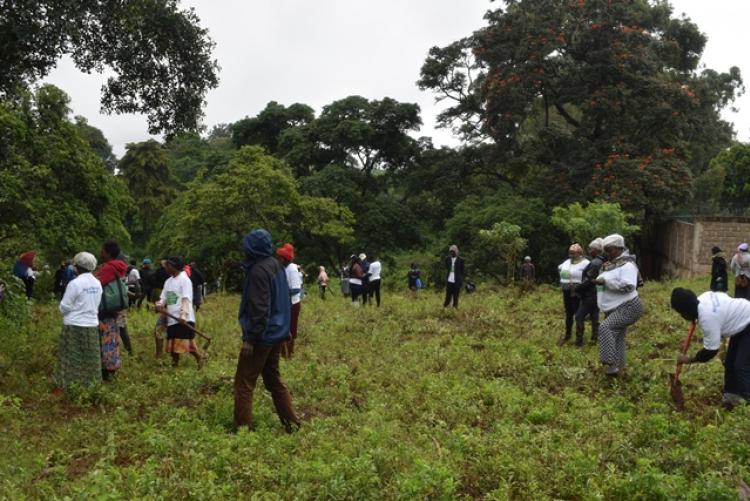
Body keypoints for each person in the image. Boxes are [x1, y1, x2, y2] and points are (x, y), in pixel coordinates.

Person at [234, 229, 300, 432]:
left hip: (262, 336)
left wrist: (251, 339)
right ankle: (292, 424)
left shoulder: (257, 271)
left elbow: (260, 308)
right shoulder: (276, 266)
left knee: (244, 383)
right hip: (277, 334)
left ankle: (243, 432)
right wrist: (286, 329)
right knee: (273, 380)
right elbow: (285, 300)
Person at [671, 287, 750, 409]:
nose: (681, 316)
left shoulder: (708, 318)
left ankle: (747, 405)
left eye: (681, 313)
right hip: (740, 322)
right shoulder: (703, 297)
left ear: (686, 312)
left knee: (741, 365)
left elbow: (711, 351)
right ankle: (731, 399)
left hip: (747, 322)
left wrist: (689, 359)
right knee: (730, 364)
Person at [595, 234, 644, 376]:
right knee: (618, 336)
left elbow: (629, 286)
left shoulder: (627, 265)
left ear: (619, 248)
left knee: (605, 327)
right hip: (614, 307)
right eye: (606, 251)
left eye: (610, 250)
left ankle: (608, 361)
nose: (607, 254)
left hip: (628, 306)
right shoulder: (613, 265)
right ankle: (615, 368)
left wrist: (605, 282)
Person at [53, 252, 103, 390]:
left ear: (77, 267)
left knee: (69, 357)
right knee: (90, 357)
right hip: (92, 324)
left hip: (74, 325)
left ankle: (67, 385)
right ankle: (91, 385)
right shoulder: (97, 283)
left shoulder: (75, 284)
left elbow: (64, 307)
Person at [156, 256, 205, 368]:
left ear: (174, 267)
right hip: (172, 317)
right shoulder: (168, 281)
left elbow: (186, 299)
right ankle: (175, 365)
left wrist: (183, 314)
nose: (166, 268)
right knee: (174, 342)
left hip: (183, 317)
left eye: (168, 266)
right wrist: (160, 304)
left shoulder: (184, 280)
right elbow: (163, 297)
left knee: (185, 342)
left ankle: (198, 357)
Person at [96, 241, 127, 380]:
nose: (101, 252)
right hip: (115, 308)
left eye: (102, 250)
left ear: (108, 253)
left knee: (106, 339)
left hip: (106, 309)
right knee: (113, 338)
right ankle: (112, 368)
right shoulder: (119, 267)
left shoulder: (108, 268)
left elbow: (97, 284)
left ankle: (108, 371)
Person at [574, 238, 604, 345]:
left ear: (596, 250)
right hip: (598, 294)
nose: (589, 251)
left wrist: (577, 288)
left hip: (589, 294)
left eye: (591, 249)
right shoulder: (602, 261)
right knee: (594, 316)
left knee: (579, 316)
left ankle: (579, 341)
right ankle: (594, 339)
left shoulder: (595, 263)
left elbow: (588, 280)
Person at [558, 244, 589, 344]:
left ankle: (579, 338)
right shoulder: (567, 262)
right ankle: (568, 335)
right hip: (566, 290)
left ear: (579, 253)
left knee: (578, 314)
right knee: (568, 313)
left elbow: (590, 276)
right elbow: (559, 268)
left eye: (573, 252)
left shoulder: (585, 263)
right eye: (570, 252)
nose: (571, 254)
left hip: (578, 291)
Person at [276, 243, 301, 358]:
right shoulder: (282, 269)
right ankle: (282, 352)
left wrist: (282, 293)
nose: (278, 260)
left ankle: (289, 353)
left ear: (285, 258)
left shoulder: (292, 269)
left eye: (280, 258)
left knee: (291, 328)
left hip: (292, 303)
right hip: (284, 303)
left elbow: (296, 289)